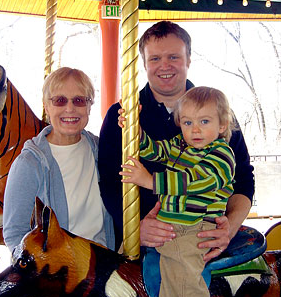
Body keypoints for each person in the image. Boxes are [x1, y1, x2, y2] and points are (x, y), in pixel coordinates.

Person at [98, 20, 254, 260]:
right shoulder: (122, 116)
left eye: (173, 57)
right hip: (142, 241)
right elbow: (109, 181)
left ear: (188, 60)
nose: (164, 66)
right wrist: (135, 226)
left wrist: (229, 228)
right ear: (144, 63)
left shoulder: (219, 114)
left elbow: (242, 178)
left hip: (201, 240)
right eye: (155, 59)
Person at [3, 67, 115, 297]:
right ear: (46, 105)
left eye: (79, 100)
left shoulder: (102, 150)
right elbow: (14, 231)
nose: (70, 109)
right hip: (49, 292)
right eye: (60, 100)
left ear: (89, 105)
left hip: (95, 284)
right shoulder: (30, 163)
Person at [118, 86, 236, 297]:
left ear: (222, 125)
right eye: (187, 123)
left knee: (181, 275)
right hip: (170, 223)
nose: (195, 130)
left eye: (204, 121)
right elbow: (154, 150)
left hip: (195, 228)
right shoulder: (180, 146)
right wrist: (135, 131)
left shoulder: (222, 155)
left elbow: (195, 181)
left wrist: (150, 181)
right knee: (120, 256)